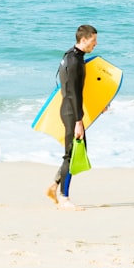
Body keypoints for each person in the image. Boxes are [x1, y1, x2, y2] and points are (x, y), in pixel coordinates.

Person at [47, 24, 97, 210]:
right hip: (71, 112)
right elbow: (73, 93)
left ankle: (54, 187)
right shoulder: (74, 61)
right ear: (83, 39)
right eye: (93, 41)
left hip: (70, 109)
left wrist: (100, 104)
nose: (95, 44)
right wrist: (78, 121)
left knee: (73, 153)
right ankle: (64, 199)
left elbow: (79, 89)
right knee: (72, 155)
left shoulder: (71, 56)